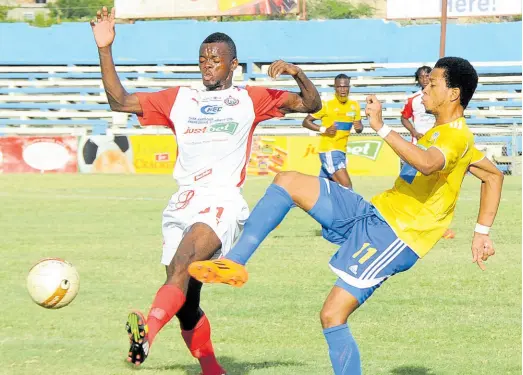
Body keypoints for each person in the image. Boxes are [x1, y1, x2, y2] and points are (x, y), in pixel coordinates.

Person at [188, 57, 504, 374]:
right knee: (288, 181)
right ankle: (234, 262)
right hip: (372, 213)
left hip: (395, 235)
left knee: (332, 316)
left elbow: (428, 164)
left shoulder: (456, 137)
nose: (424, 89)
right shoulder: (443, 133)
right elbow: (493, 176)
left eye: (433, 84)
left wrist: (381, 127)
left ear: (453, 94)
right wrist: (481, 232)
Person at [90, 7, 321, 374]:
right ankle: (213, 369)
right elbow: (120, 101)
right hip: (182, 202)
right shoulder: (180, 98)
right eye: (202, 60)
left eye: (215, 60)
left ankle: (146, 336)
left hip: (221, 199)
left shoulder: (251, 98)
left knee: (182, 264)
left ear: (233, 65)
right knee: (184, 300)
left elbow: (311, 104)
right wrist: (105, 48)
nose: (207, 65)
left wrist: (296, 72)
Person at [302, 74, 363, 189]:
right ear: (335, 88)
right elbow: (306, 122)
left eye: (345, 87)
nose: (343, 90)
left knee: (324, 189)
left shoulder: (354, 106)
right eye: (339, 87)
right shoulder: (327, 105)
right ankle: (352, 207)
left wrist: (359, 127)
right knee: (346, 187)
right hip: (329, 151)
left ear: (349, 88)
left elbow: (359, 128)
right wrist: (324, 129)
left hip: (341, 152)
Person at [401, 65, 435, 143]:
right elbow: (404, 118)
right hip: (419, 140)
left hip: (437, 138)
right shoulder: (412, 99)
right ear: (418, 79)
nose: (424, 80)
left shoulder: (440, 97)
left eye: (427, 76)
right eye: (421, 77)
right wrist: (415, 133)